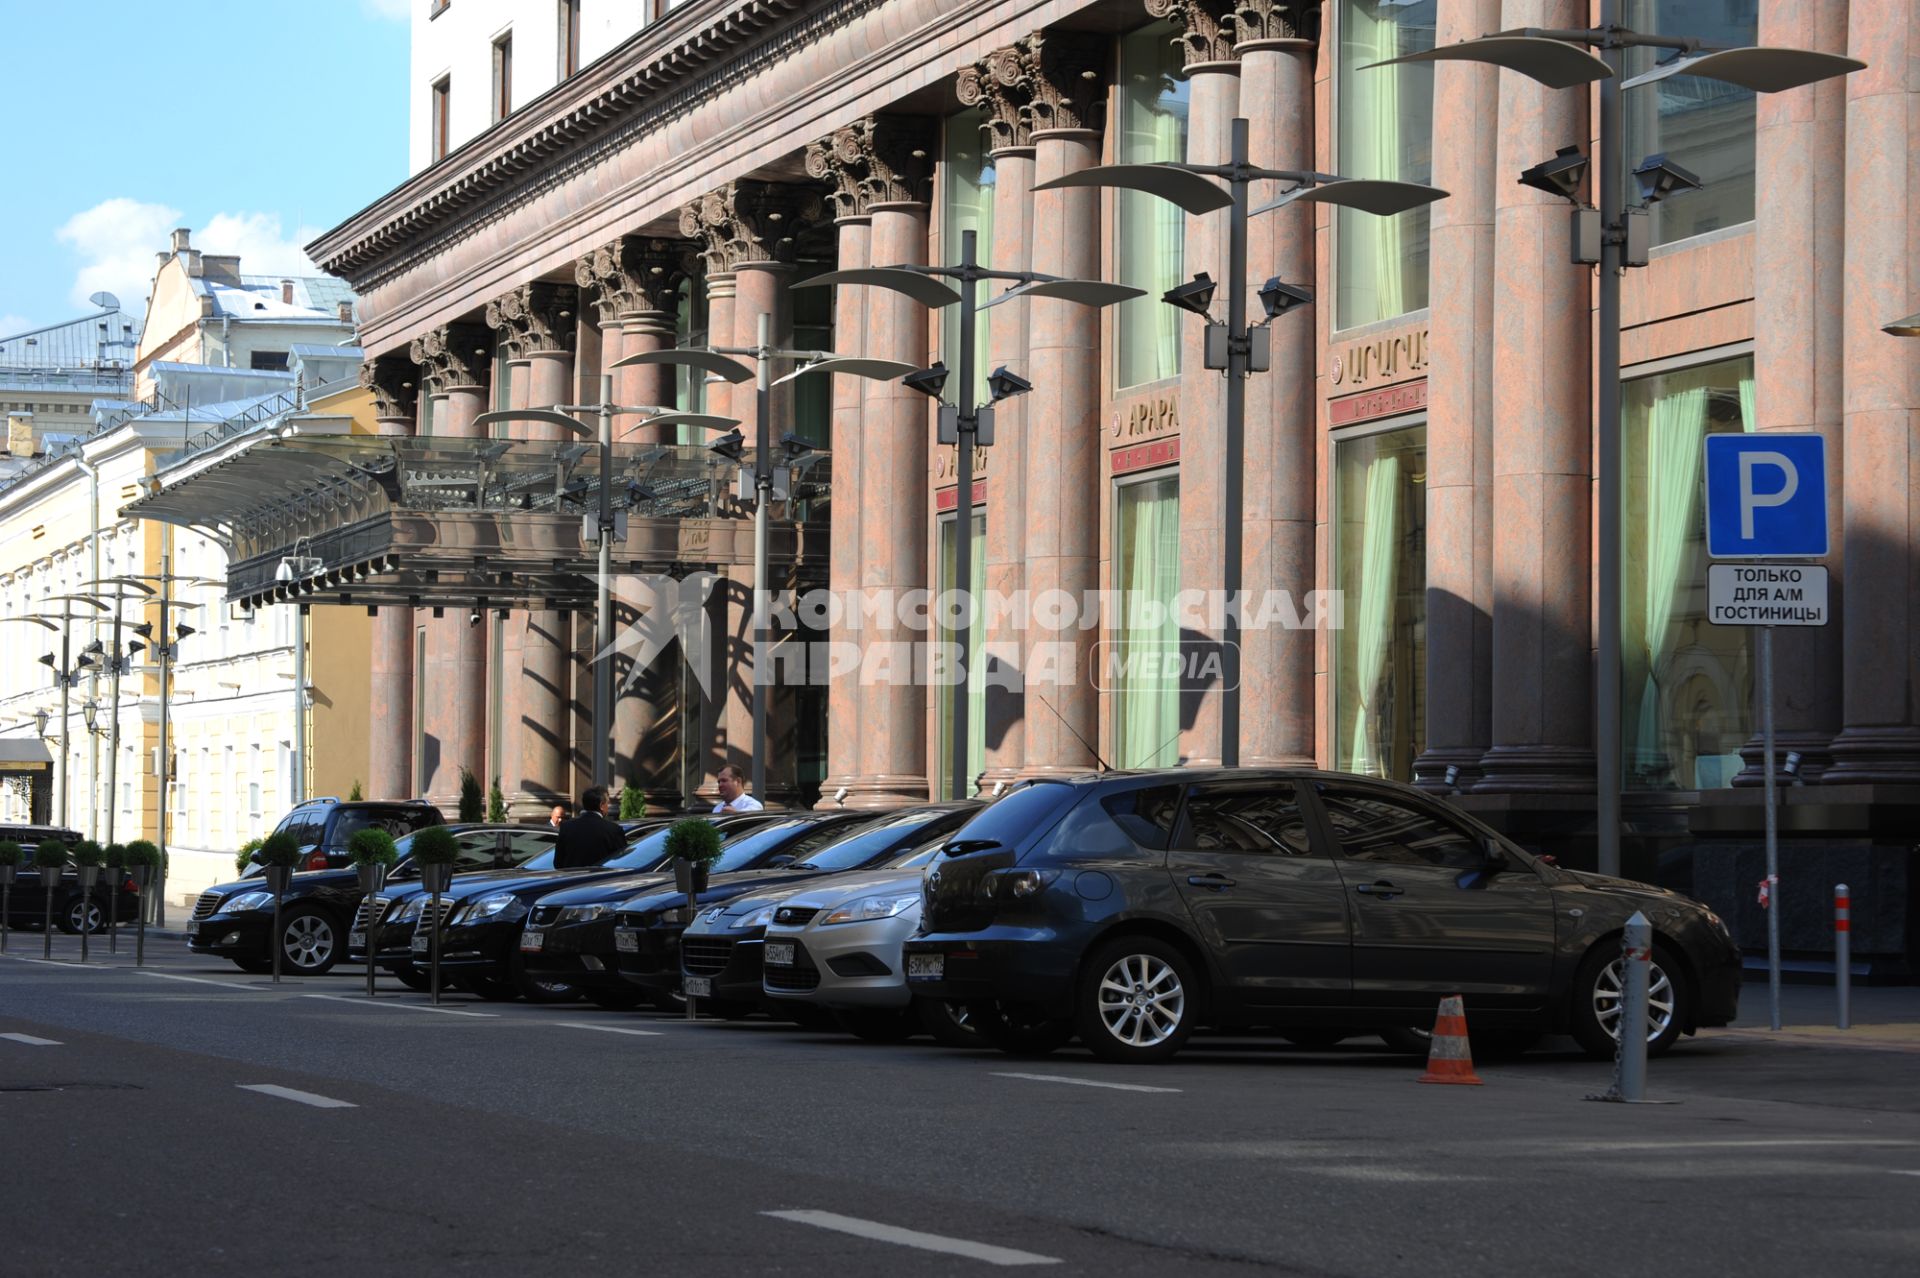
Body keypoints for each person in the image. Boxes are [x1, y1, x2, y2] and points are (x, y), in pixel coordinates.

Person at [552, 787, 626, 868]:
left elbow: (558, 863)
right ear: (601, 805)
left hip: (572, 878)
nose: (608, 807)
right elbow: (622, 862)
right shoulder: (613, 829)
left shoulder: (567, 827)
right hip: (601, 878)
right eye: (607, 803)